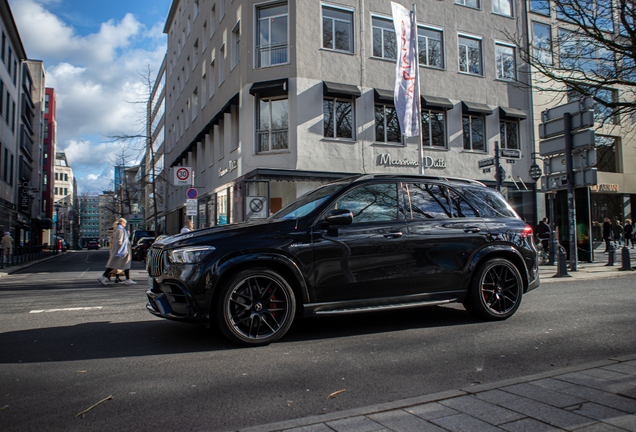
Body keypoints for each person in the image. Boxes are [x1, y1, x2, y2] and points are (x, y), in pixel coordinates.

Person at [98, 218, 136, 285]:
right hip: (122, 251)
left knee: (122, 265)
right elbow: (119, 241)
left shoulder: (119, 230)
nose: (125, 225)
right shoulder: (120, 230)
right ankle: (103, 277)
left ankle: (128, 279)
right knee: (116, 265)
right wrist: (124, 249)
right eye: (124, 223)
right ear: (122, 223)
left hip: (120, 251)